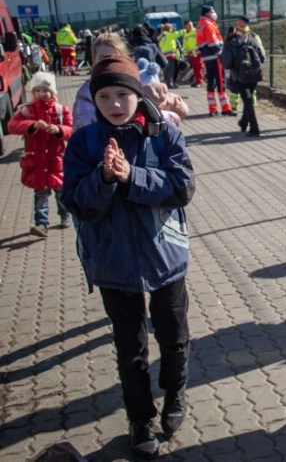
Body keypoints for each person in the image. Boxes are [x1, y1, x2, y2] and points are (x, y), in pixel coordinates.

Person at [61, 55, 194, 460]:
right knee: (130, 349)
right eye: (104, 97)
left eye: (122, 94)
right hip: (114, 266)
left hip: (164, 259)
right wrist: (102, 179)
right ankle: (140, 419)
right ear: (94, 100)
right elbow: (75, 203)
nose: (115, 104)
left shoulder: (164, 135)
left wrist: (130, 176)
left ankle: (174, 394)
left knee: (174, 339)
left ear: (137, 94)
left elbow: (182, 186)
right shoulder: (83, 142)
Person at [8, 71, 73, 237]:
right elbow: (12, 126)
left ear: (52, 92)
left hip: (56, 159)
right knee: (40, 194)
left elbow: (71, 129)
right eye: (37, 90)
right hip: (37, 161)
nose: (41, 94)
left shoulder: (61, 110)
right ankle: (41, 224)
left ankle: (65, 215)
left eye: (45, 90)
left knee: (61, 192)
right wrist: (32, 125)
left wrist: (59, 129)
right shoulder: (27, 110)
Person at [73, 33, 132, 130]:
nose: (108, 62)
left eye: (114, 57)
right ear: (94, 61)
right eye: (102, 58)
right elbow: (83, 127)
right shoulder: (86, 92)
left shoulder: (134, 86)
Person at [221, 24, 266, 137]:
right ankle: (243, 122)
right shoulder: (252, 40)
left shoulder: (229, 42)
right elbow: (262, 57)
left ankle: (254, 128)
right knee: (248, 99)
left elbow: (226, 62)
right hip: (254, 75)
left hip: (239, 76)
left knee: (248, 101)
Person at [196, 4, 237, 117]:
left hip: (207, 57)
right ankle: (225, 108)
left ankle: (212, 108)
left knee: (211, 82)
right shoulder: (208, 25)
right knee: (221, 82)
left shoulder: (200, 25)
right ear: (207, 13)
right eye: (212, 11)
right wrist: (221, 55)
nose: (214, 13)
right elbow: (213, 43)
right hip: (215, 57)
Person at [157, 23, 183, 89]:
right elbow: (178, 33)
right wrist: (185, 30)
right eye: (171, 28)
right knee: (171, 70)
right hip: (170, 55)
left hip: (164, 55)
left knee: (166, 70)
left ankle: (166, 83)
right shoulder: (168, 35)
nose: (172, 29)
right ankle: (170, 84)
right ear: (169, 29)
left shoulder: (162, 35)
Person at [181, 20, 203, 88]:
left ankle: (199, 82)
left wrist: (199, 49)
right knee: (195, 68)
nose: (191, 26)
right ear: (185, 26)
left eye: (191, 24)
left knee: (199, 67)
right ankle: (196, 81)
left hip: (198, 52)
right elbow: (185, 45)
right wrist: (185, 54)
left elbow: (201, 40)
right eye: (189, 25)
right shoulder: (185, 35)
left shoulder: (196, 32)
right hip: (191, 54)